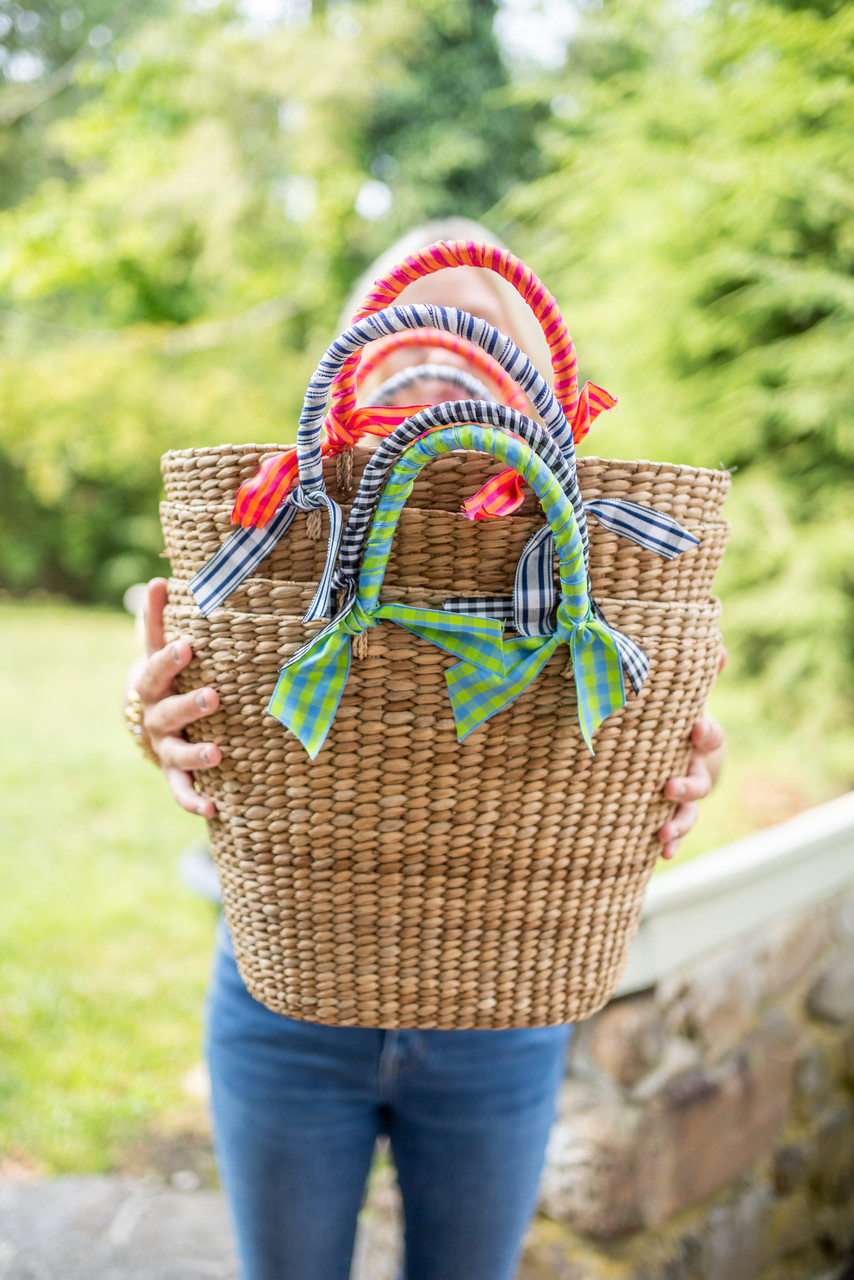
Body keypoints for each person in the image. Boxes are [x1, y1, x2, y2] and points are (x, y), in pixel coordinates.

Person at [125, 218, 726, 1280]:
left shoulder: (583, 573)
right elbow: (185, 681)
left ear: (531, 383)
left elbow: (658, 727)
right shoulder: (274, 541)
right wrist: (157, 728)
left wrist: (665, 775)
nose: (439, 353)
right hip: (282, 1004)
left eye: (479, 327)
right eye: (405, 333)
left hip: (508, 1013)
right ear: (357, 359)